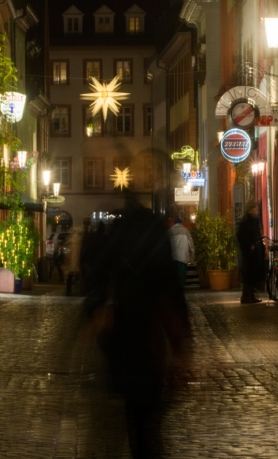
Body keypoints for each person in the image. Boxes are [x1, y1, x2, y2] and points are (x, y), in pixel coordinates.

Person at [84, 195, 192, 458]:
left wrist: (97, 311)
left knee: (133, 420)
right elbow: (172, 294)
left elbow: (97, 278)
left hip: (125, 341)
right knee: (147, 426)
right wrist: (182, 345)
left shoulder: (118, 235)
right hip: (150, 344)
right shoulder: (156, 236)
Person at [237, 199, 266, 304]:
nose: (256, 210)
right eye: (254, 208)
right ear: (249, 209)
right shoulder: (246, 221)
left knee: (254, 273)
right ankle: (246, 296)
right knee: (249, 273)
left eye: (256, 208)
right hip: (249, 253)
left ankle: (251, 295)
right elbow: (241, 236)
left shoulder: (254, 220)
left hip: (256, 251)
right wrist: (250, 245)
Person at [168, 217, 194, 288]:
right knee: (182, 273)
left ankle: (175, 287)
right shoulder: (185, 231)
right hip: (183, 256)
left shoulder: (170, 231)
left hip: (173, 256)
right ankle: (181, 287)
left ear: (174, 223)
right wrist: (192, 253)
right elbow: (190, 243)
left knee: (174, 273)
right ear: (181, 223)